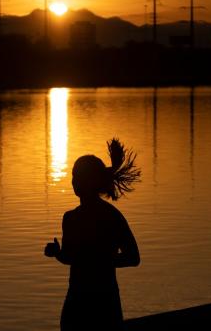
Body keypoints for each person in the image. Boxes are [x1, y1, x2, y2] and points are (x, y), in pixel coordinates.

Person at [44, 138, 141, 331]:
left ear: (91, 181)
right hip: (76, 302)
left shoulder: (111, 216)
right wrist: (57, 253)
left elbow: (133, 257)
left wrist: (100, 261)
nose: (73, 181)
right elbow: (70, 258)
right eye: (73, 176)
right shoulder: (70, 218)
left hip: (104, 302)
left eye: (78, 176)